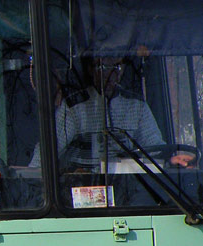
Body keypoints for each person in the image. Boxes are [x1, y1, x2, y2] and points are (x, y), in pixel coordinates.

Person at [53, 55, 194, 170]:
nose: (111, 74)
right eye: (103, 67)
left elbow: (154, 150)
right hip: (83, 192)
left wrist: (170, 160)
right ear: (91, 70)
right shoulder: (74, 108)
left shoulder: (137, 107)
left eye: (117, 67)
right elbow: (45, 157)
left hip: (130, 193)